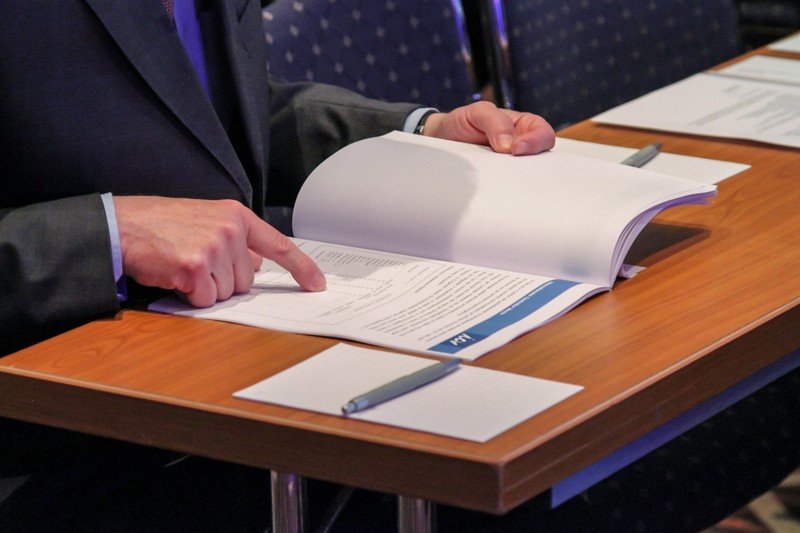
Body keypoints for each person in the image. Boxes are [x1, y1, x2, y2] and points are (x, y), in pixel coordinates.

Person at [1, 1, 797, 531]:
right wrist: (110, 232)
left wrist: (420, 132)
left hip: (240, 366)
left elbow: (223, 115)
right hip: (73, 436)